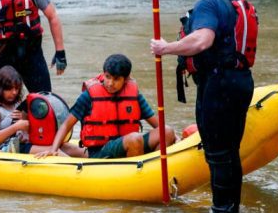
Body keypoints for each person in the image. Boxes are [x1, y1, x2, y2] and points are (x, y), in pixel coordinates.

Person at [151, 0, 256, 213]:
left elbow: (201, 40)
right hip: (241, 81)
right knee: (231, 150)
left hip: (219, 85)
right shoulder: (239, 1)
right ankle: (231, 210)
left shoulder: (209, 4)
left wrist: (166, 48)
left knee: (218, 152)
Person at [36, 54, 176, 159]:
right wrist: (53, 149)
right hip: (100, 151)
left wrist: (176, 139)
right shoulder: (89, 96)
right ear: (103, 74)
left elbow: (158, 126)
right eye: (108, 77)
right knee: (134, 138)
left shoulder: (133, 94)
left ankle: (154, 169)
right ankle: (134, 177)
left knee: (167, 131)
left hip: (132, 143)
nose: (110, 83)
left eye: (116, 79)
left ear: (126, 79)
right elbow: (67, 125)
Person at [0, 65, 83, 156]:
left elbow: (28, 127)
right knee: (55, 151)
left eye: (17, 89)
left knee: (69, 147)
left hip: (25, 142)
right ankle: (79, 172)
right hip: (6, 148)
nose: (14, 92)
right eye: (9, 89)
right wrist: (16, 127)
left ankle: (94, 158)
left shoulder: (16, 104)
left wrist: (25, 119)